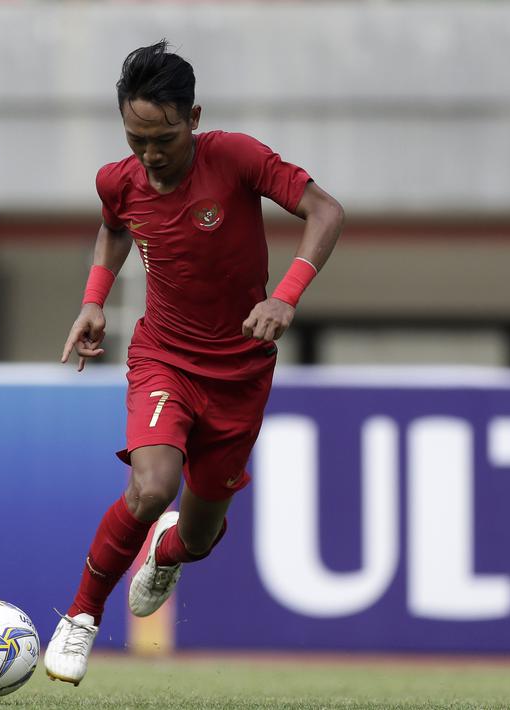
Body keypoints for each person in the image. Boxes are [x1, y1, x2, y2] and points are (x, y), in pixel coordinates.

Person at [43, 40, 345, 686]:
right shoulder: (117, 180)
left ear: (195, 118)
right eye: (136, 140)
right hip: (165, 359)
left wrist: (285, 296)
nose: (150, 155)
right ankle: (81, 615)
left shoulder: (235, 157)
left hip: (241, 373)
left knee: (201, 536)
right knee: (152, 487)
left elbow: (326, 210)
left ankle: (170, 551)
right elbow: (115, 226)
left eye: (164, 139)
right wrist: (93, 301)